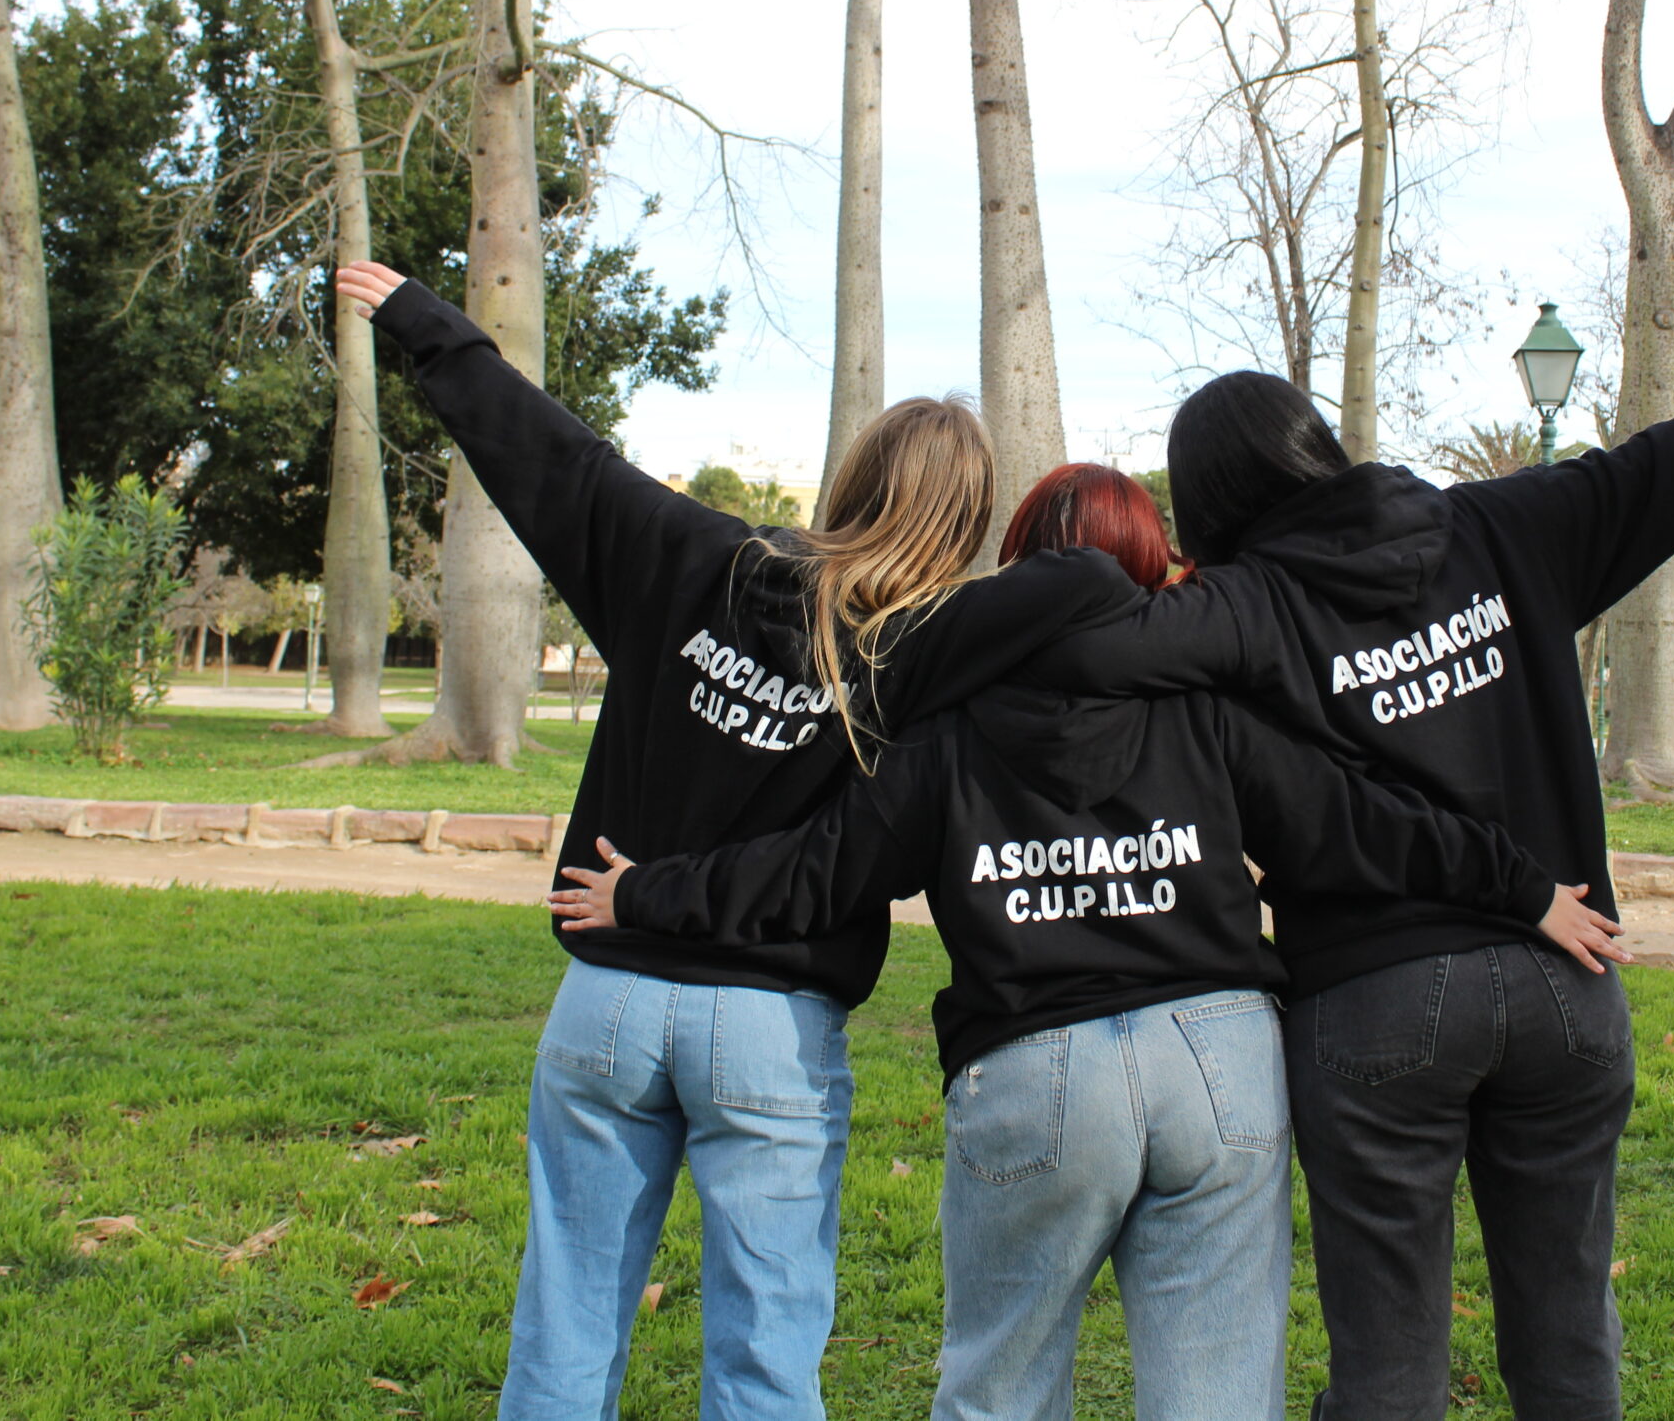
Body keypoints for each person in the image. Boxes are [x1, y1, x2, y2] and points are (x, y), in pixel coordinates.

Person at [551, 463, 1629, 1421]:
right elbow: (1357, 822)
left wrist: (646, 893)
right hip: (1216, 1062)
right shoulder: (1207, 707)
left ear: (1014, 560)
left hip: (1035, 1063)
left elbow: (815, 870)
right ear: (1156, 567)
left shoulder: (949, 725)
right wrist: (1523, 888)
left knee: (1000, 1391)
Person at [1020, 313, 1674, 1421]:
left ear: (1208, 504)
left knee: (1389, 1369)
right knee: (1569, 1350)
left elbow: (1080, 648)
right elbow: (1663, 468)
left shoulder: (1245, 606)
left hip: (1375, 1002)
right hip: (1568, 982)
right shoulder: (1500, 528)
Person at [333, 264, 1143, 1421]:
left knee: (565, 1323)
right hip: (770, 1028)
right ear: (966, 524)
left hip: (608, 1001)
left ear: (849, 479)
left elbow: (553, 455)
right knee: (765, 1355)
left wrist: (429, 325)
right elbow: (1087, 582)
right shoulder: (929, 640)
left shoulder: (688, 557)